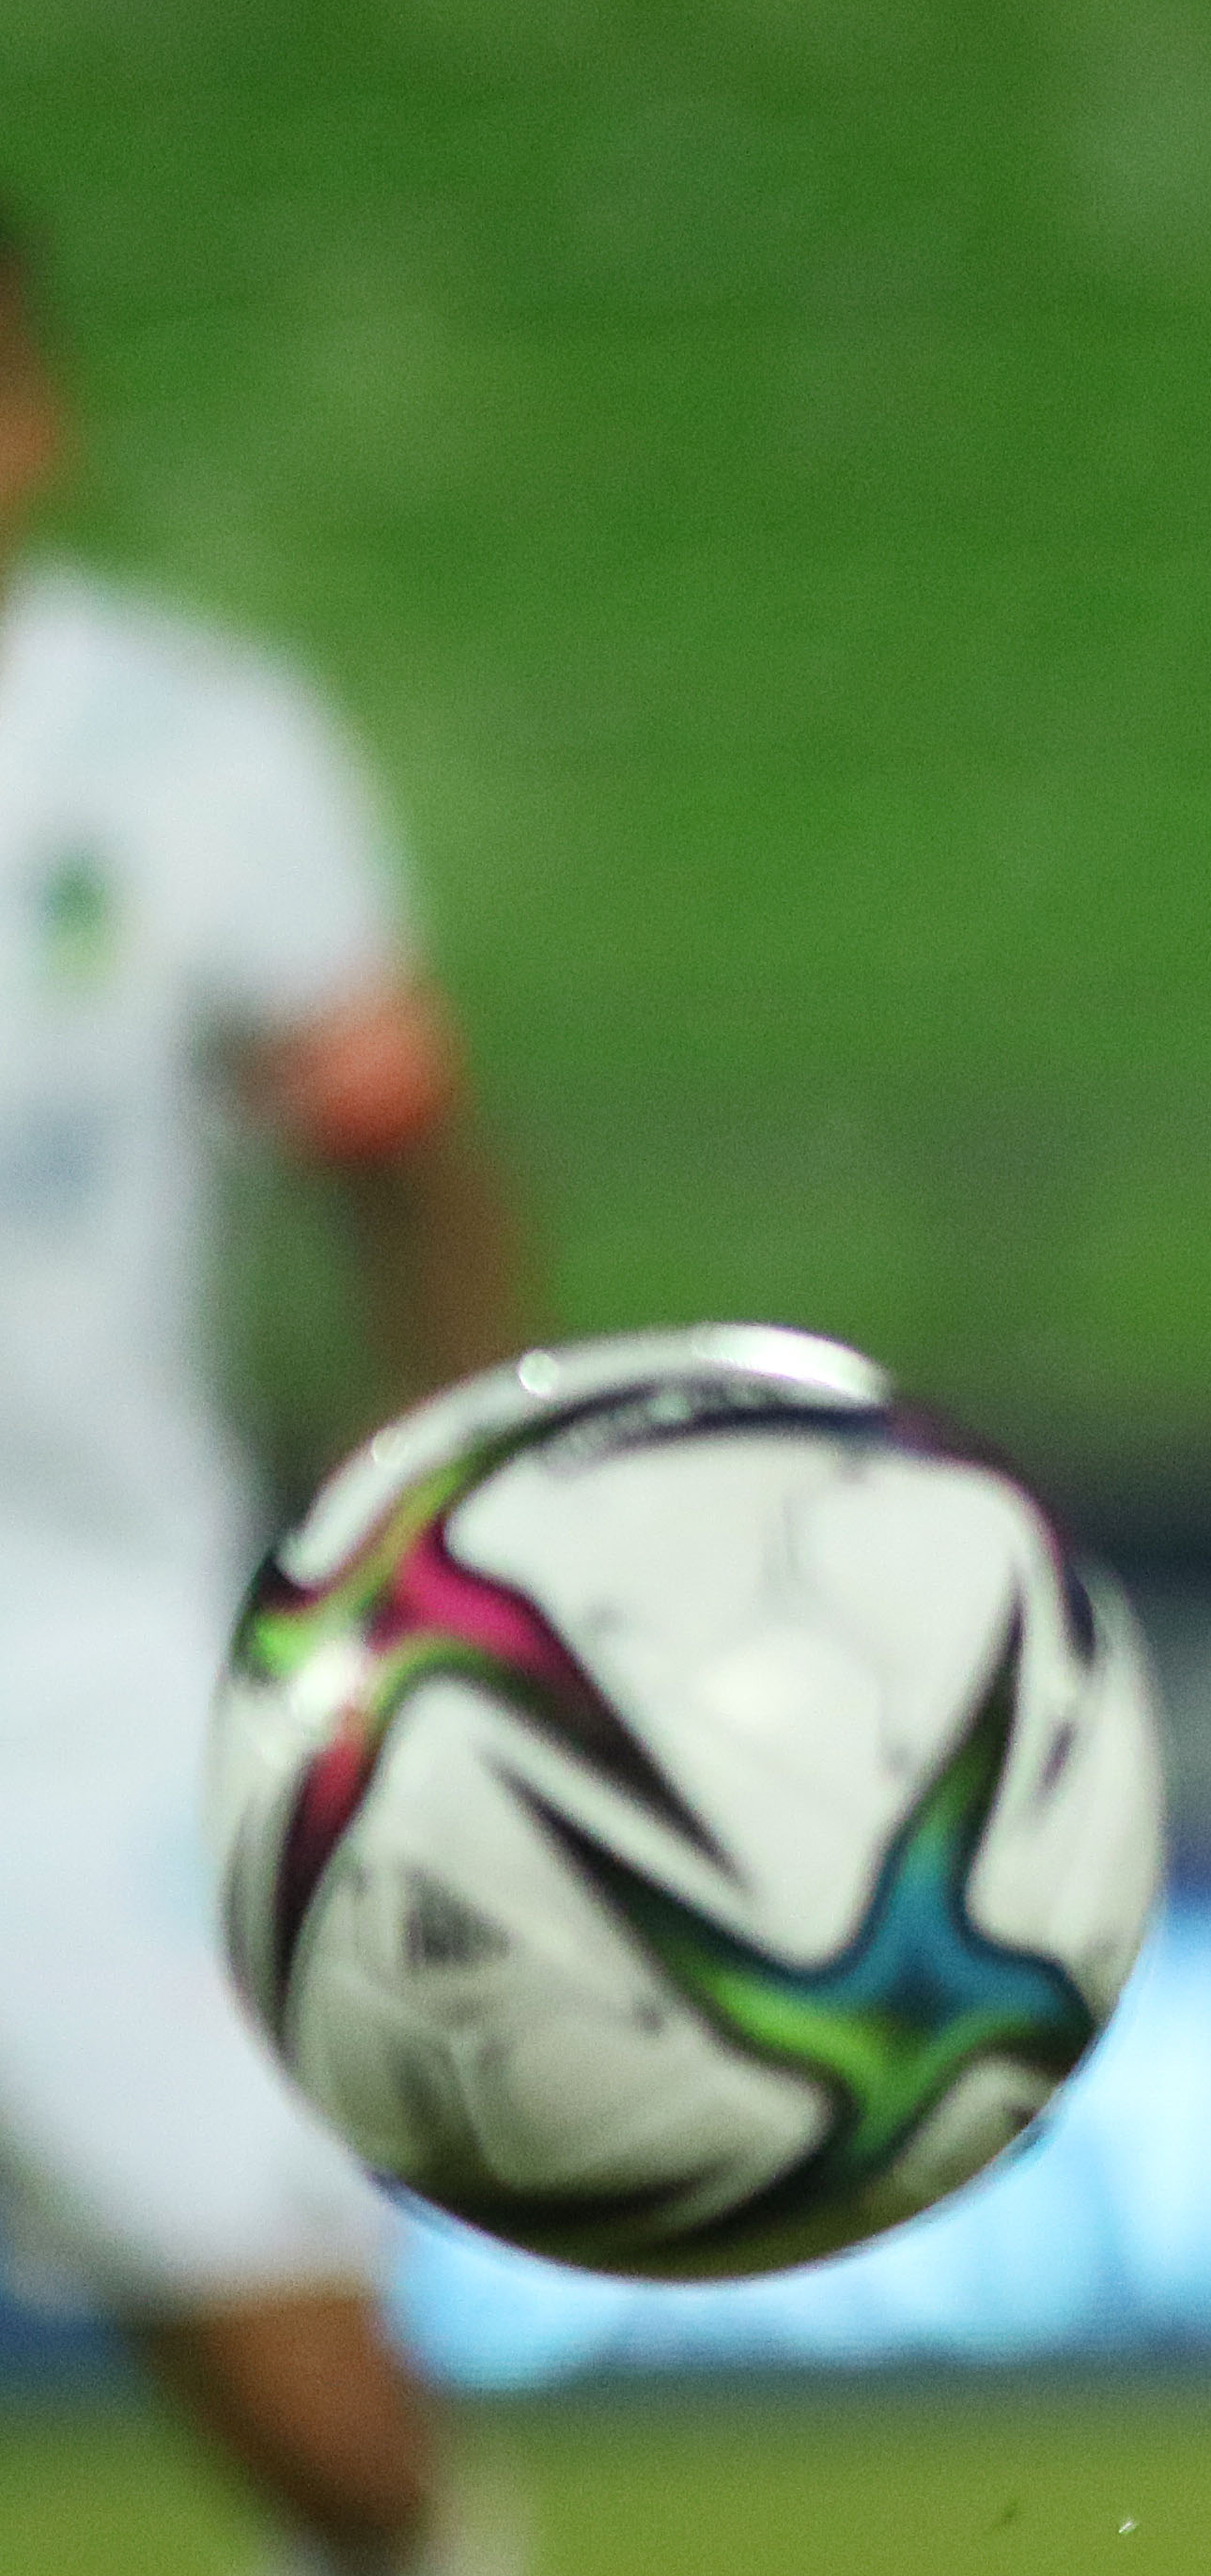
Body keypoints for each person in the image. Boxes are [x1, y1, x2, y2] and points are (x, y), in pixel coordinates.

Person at [0, 211, 533, 2576]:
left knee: (334, 2436)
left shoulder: (195, 756)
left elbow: (405, 1161)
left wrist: (442, 1544)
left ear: (36, 412)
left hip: (77, 1675)